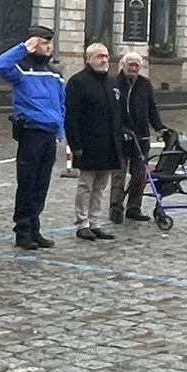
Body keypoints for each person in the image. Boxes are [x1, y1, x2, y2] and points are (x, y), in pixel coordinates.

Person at [0, 28, 65, 249]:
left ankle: (35, 227)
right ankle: (22, 230)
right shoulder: (20, 69)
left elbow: (61, 103)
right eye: (43, 43)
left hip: (49, 133)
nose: (48, 48)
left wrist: (60, 129)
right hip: (31, 131)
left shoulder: (54, 73)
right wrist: (23, 49)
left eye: (49, 44)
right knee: (27, 182)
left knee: (41, 184)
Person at [65, 43, 124, 240]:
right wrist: (76, 144)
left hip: (109, 143)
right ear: (88, 59)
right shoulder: (78, 82)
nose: (104, 60)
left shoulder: (112, 82)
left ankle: (95, 221)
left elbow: (117, 112)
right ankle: (82, 223)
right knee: (86, 185)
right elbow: (71, 116)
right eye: (99, 56)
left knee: (100, 187)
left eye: (106, 56)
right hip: (88, 143)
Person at [111, 52, 165, 224]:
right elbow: (112, 111)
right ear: (123, 65)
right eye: (130, 65)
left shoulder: (144, 84)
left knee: (139, 175)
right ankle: (116, 208)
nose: (133, 68)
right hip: (121, 138)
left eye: (136, 66)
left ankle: (134, 208)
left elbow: (151, 109)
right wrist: (120, 129)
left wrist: (160, 128)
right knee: (118, 176)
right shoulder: (114, 84)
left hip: (141, 138)